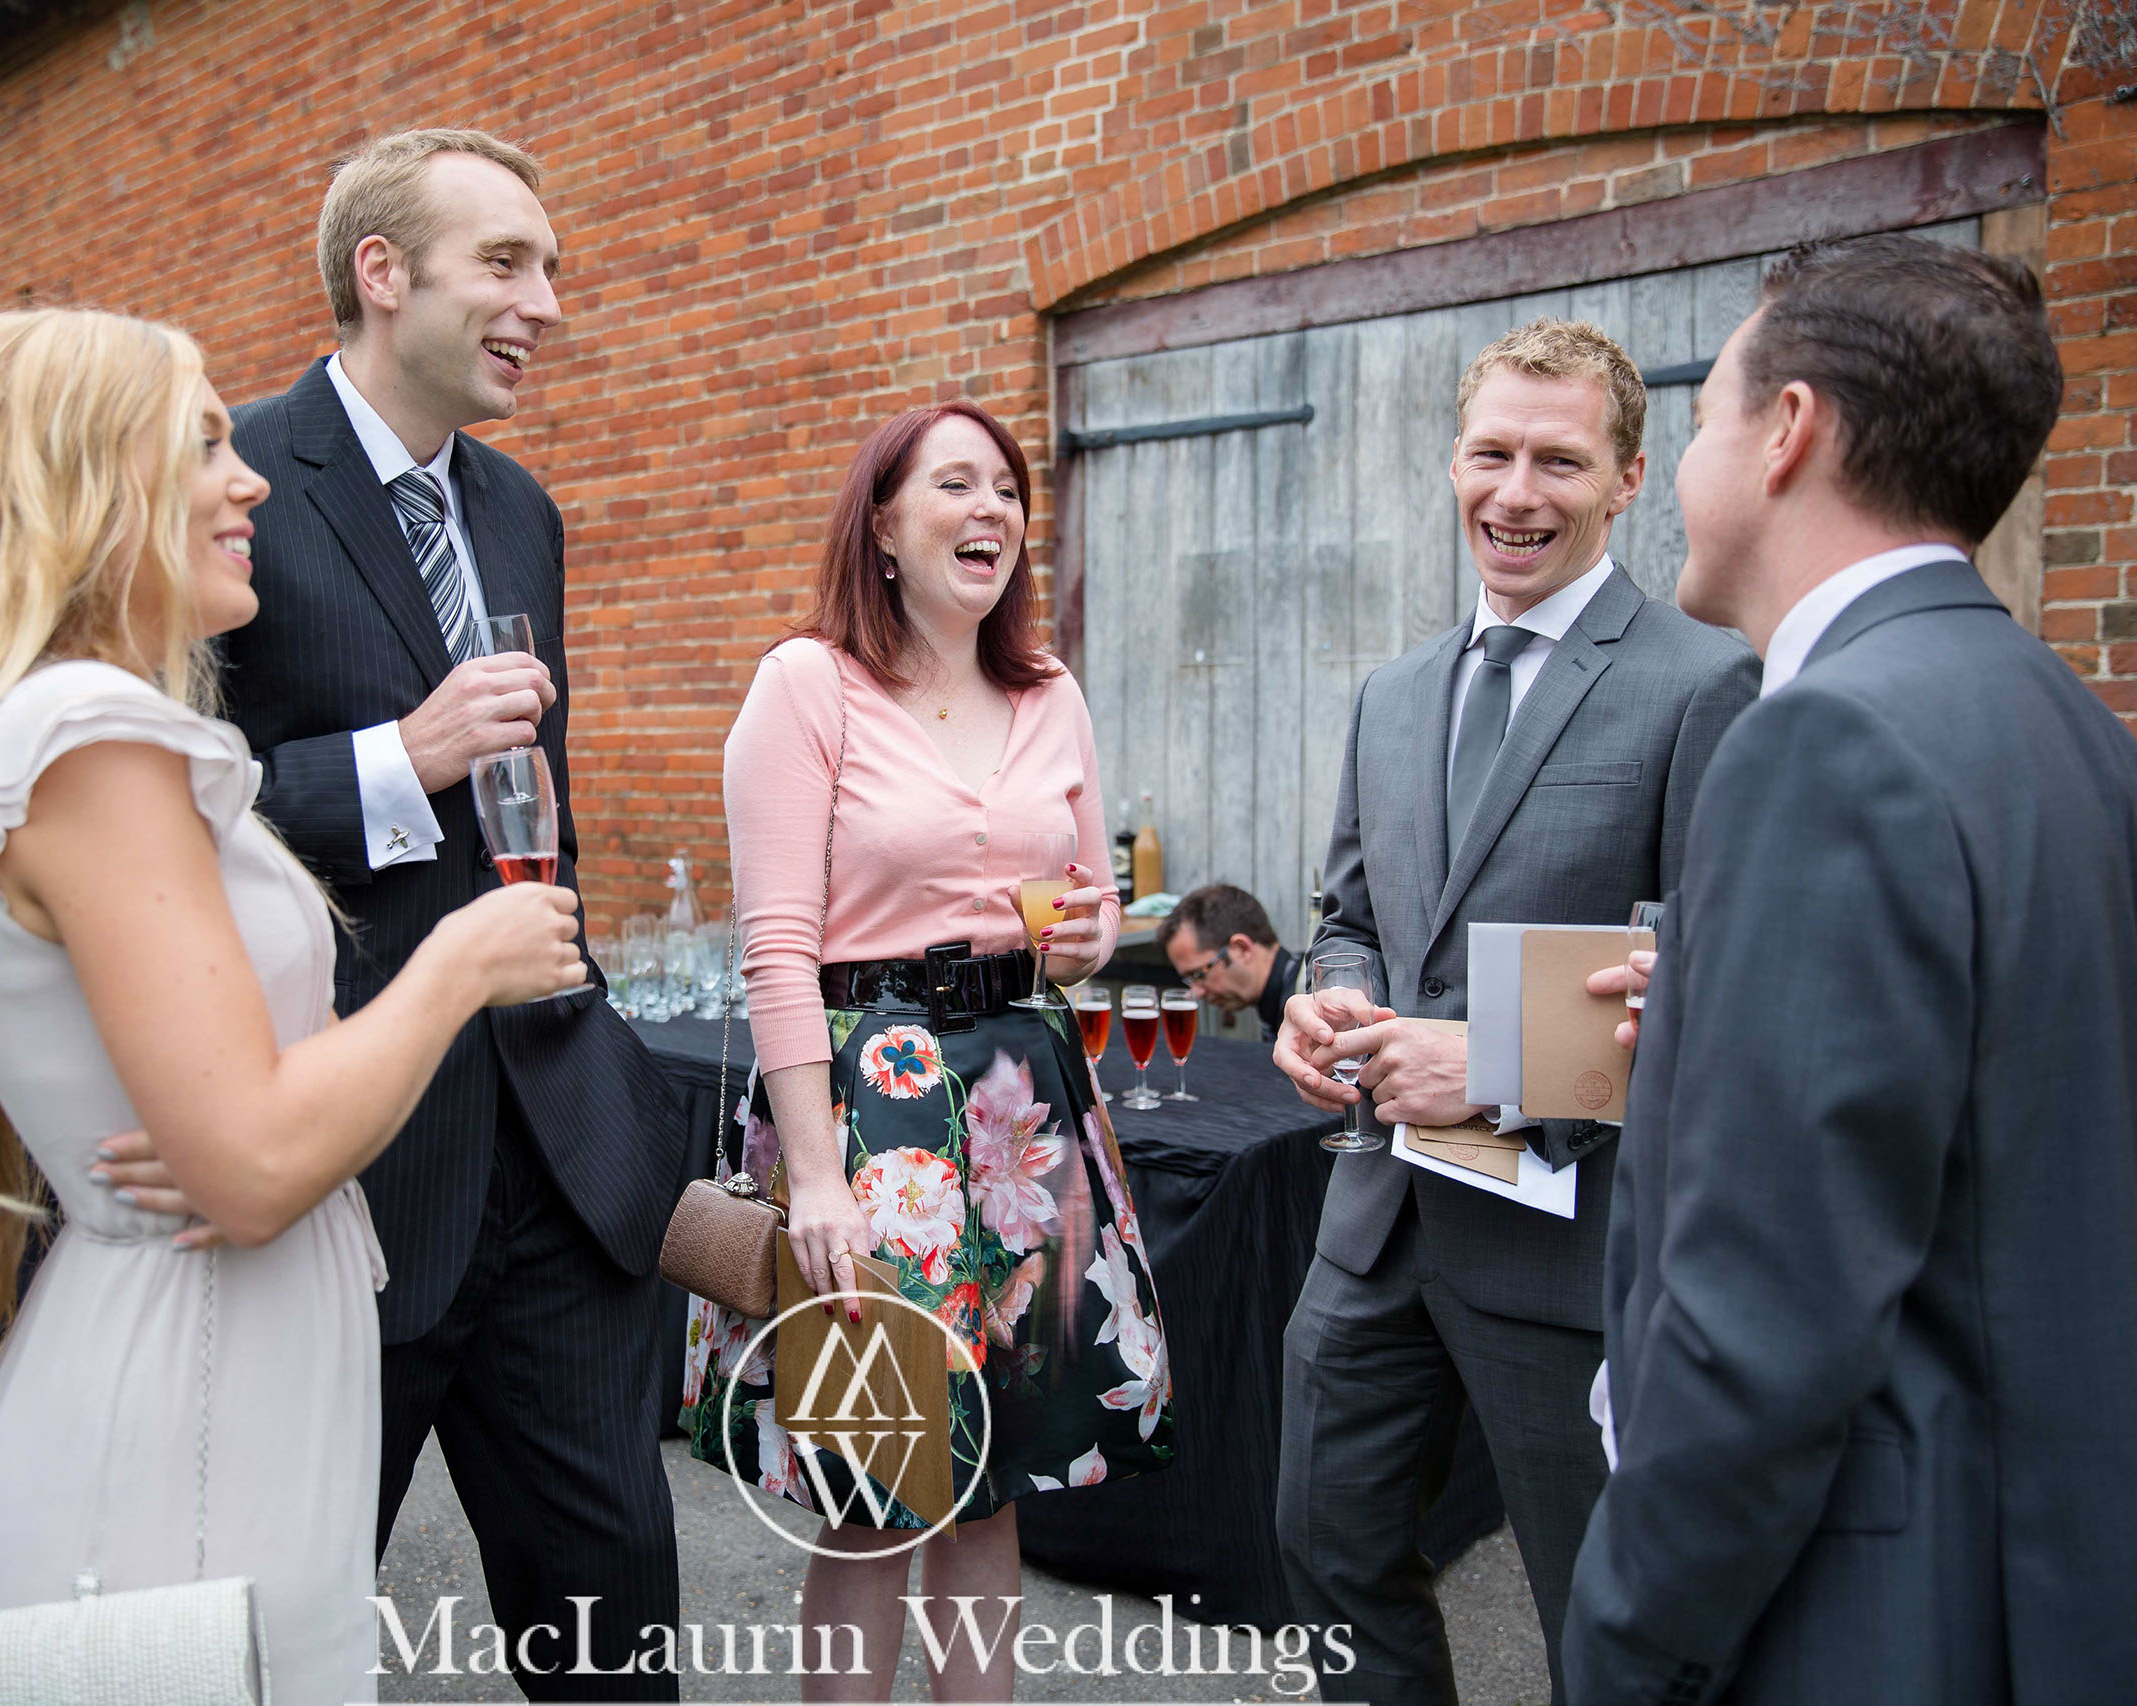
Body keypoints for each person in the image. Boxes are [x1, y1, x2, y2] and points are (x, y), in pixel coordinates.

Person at [0, 306, 589, 1705]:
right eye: (204, 444)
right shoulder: (89, 740)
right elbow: (248, 1167)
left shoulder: (61, 725)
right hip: (188, 1403)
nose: (249, 485)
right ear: (72, 483)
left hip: (212, 1364)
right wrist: (462, 963)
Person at [1563, 237, 2137, 1704]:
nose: (1687, 470)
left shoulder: (1823, 740)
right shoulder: (2067, 726)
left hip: (1868, 1610)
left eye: (1697, 426)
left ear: (1790, 431)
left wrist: (1626, 1637)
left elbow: (1761, 1324)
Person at [216, 128, 687, 1694]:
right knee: (283, 1638)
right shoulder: (227, 485)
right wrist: (397, 758)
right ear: (381, 274)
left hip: (557, 1169)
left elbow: (531, 814)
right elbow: (167, 813)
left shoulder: (523, 509)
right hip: (349, 1181)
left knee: (615, 1638)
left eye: (550, 268)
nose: (546, 302)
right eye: (508, 263)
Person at [1268, 319, 1759, 1706]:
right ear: (1451, 463)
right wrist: (1327, 1000)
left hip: (1576, 1258)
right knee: (1326, 1554)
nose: (1517, 491)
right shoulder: (1394, 692)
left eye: (1559, 458)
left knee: (1604, 1627)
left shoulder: (1703, 681)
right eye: (1492, 452)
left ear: (1628, 479)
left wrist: (1490, 1063)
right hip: (1377, 1232)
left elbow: (1714, 983)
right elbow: (1352, 919)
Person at [695, 397, 1174, 1700]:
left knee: (993, 1485)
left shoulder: (1048, 690)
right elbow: (777, 947)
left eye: (1008, 489)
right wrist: (819, 1175)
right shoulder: (807, 685)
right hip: (872, 1113)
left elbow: (1085, 919)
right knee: (876, 1492)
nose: (993, 511)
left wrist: (1089, 930)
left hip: (1022, 1099)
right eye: (954, 484)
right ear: (886, 526)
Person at [1158, 882, 1300, 1040]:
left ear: (1241, 949)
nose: (1197, 992)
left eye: (1199, 974)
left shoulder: (1310, 1006)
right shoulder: (1284, 994)